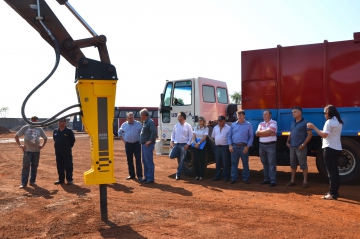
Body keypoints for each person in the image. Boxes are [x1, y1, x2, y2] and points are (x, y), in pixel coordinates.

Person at [307, 105, 343, 200]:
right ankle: (335, 192)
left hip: (329, 148)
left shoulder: (329, 122)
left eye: (325, 112)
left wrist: (313, 127)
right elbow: (327, 133)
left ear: (329, 113)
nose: (324, 115)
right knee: (335, 171)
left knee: (331, 173)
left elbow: (324, 135)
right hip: (337, 148)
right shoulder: (338, 122)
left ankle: (332, 194)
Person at [15, 116, 48, 188]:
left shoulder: (39, 129)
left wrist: (42, 146)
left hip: (36, 151)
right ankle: (23, 183)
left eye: (35, 120)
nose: (33, 121)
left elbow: (45, 138)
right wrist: (20, 145)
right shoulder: (25, 127)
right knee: (26, 166)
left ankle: (32, 181)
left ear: (37, 121)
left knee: (34, 166)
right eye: (32, 120)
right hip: (27, 151)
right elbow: (16, 136)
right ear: (29, 120)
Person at [286, 106, 313, 188]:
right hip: (292, 147)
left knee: (303, 164)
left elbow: (310, 134)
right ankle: (292, 181)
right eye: (292, 112)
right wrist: (287, 142)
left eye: (295, 112)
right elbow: (290, 133)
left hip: (300, 147)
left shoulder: (306, 122)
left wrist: (303, 144)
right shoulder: (292, 123)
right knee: (293, 164)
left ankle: (305, 182)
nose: (293, 113)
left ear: (300, 113)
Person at [228, 110, 254, 184]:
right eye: (238, 115)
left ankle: (246, 178)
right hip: (234, 147)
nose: (239, 117)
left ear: (244, 116)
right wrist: (230, 145)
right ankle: (234, 178)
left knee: (245, 164)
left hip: (244, 147)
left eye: (241, 115)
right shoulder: (233, 125)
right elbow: (229, 136)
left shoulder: (248, 125)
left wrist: (247, 146)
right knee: (234, 164)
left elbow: (251, 136)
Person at [118, 112, 143, 181]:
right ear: (127, 118)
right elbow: (119, 133)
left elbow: (142, 133)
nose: (131, 119)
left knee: (138, 160)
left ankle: (140, 176)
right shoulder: (124, 125)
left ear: (133, 118)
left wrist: (141, 141)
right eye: (129, 118)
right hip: (128, 144)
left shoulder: (138, 124)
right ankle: (132, 175)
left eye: (132, 118)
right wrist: (124, 141)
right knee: (129, 160)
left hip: (137, 144)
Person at [255, 110, 278, 187]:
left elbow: (269, 131)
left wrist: (262, 133)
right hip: (262, 145)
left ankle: (273, 180)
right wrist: (267, 133)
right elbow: (257, 133)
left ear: (270, 115)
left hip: (271, 145)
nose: (264, 115)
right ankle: (266, 179)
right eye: (263, 114)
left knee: (271, 163)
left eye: (266, 114)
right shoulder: (261, 123)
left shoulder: (274, 123)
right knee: (264, 163)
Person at [169, 112, 193, 180]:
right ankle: (181, 159)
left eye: (178, 116)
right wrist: (172, 141)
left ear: (182, 117)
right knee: (171, 156)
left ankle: (178, 174)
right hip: (177, 145)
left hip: (184, 145)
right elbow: (173, 134)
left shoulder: (188, 126)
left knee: (182, 160)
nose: (177, 118)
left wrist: (188, 145)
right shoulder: (176, 126)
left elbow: (191, 136)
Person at [53, 118, 76, 185]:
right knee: (59, 165)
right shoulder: (55, 131)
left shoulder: (69, 131)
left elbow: (72, 140)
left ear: (65, 122)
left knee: (68, 165)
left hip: (66, 151)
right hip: (58, 151)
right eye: (59, 121)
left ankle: (69, 180)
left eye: (62, 121)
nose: (60, 123)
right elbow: (55, 139)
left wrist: (68, 147)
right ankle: (61, 179)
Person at [211, 115, 231, 182]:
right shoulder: (215, 128)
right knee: (218, 162)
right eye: (218, 121)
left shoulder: (228, 128)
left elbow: (230, 138)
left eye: (221, 121)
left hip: (225, 147)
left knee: (225, 162)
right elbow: (213, 137)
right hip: (217, 147)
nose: (219, 122)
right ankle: (217, 176)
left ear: (224, 121)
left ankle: (225, 176)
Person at [139, 108, 157, 184]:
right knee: (144, 161)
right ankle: (147, 177)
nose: (140, 117)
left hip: (148, 145)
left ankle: (150, 178)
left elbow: (154, 132)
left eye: (141, 115)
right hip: (144, 144)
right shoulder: (146, 122)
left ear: (143, 115)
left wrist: (150, 141)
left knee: (148, 161)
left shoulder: (150, 122)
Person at [192, 116, 208, 181]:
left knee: (202, 161)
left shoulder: (206, 128)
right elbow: (193, 136)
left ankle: (201, 175)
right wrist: (195, 143)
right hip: (196, 145)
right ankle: (197, 175)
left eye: (201, 120)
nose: (200, 121)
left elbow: (205, 137)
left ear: (203, 121)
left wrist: (198, 143)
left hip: (202, 145)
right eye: (199, 120)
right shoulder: (195, 128)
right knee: (196, 160)